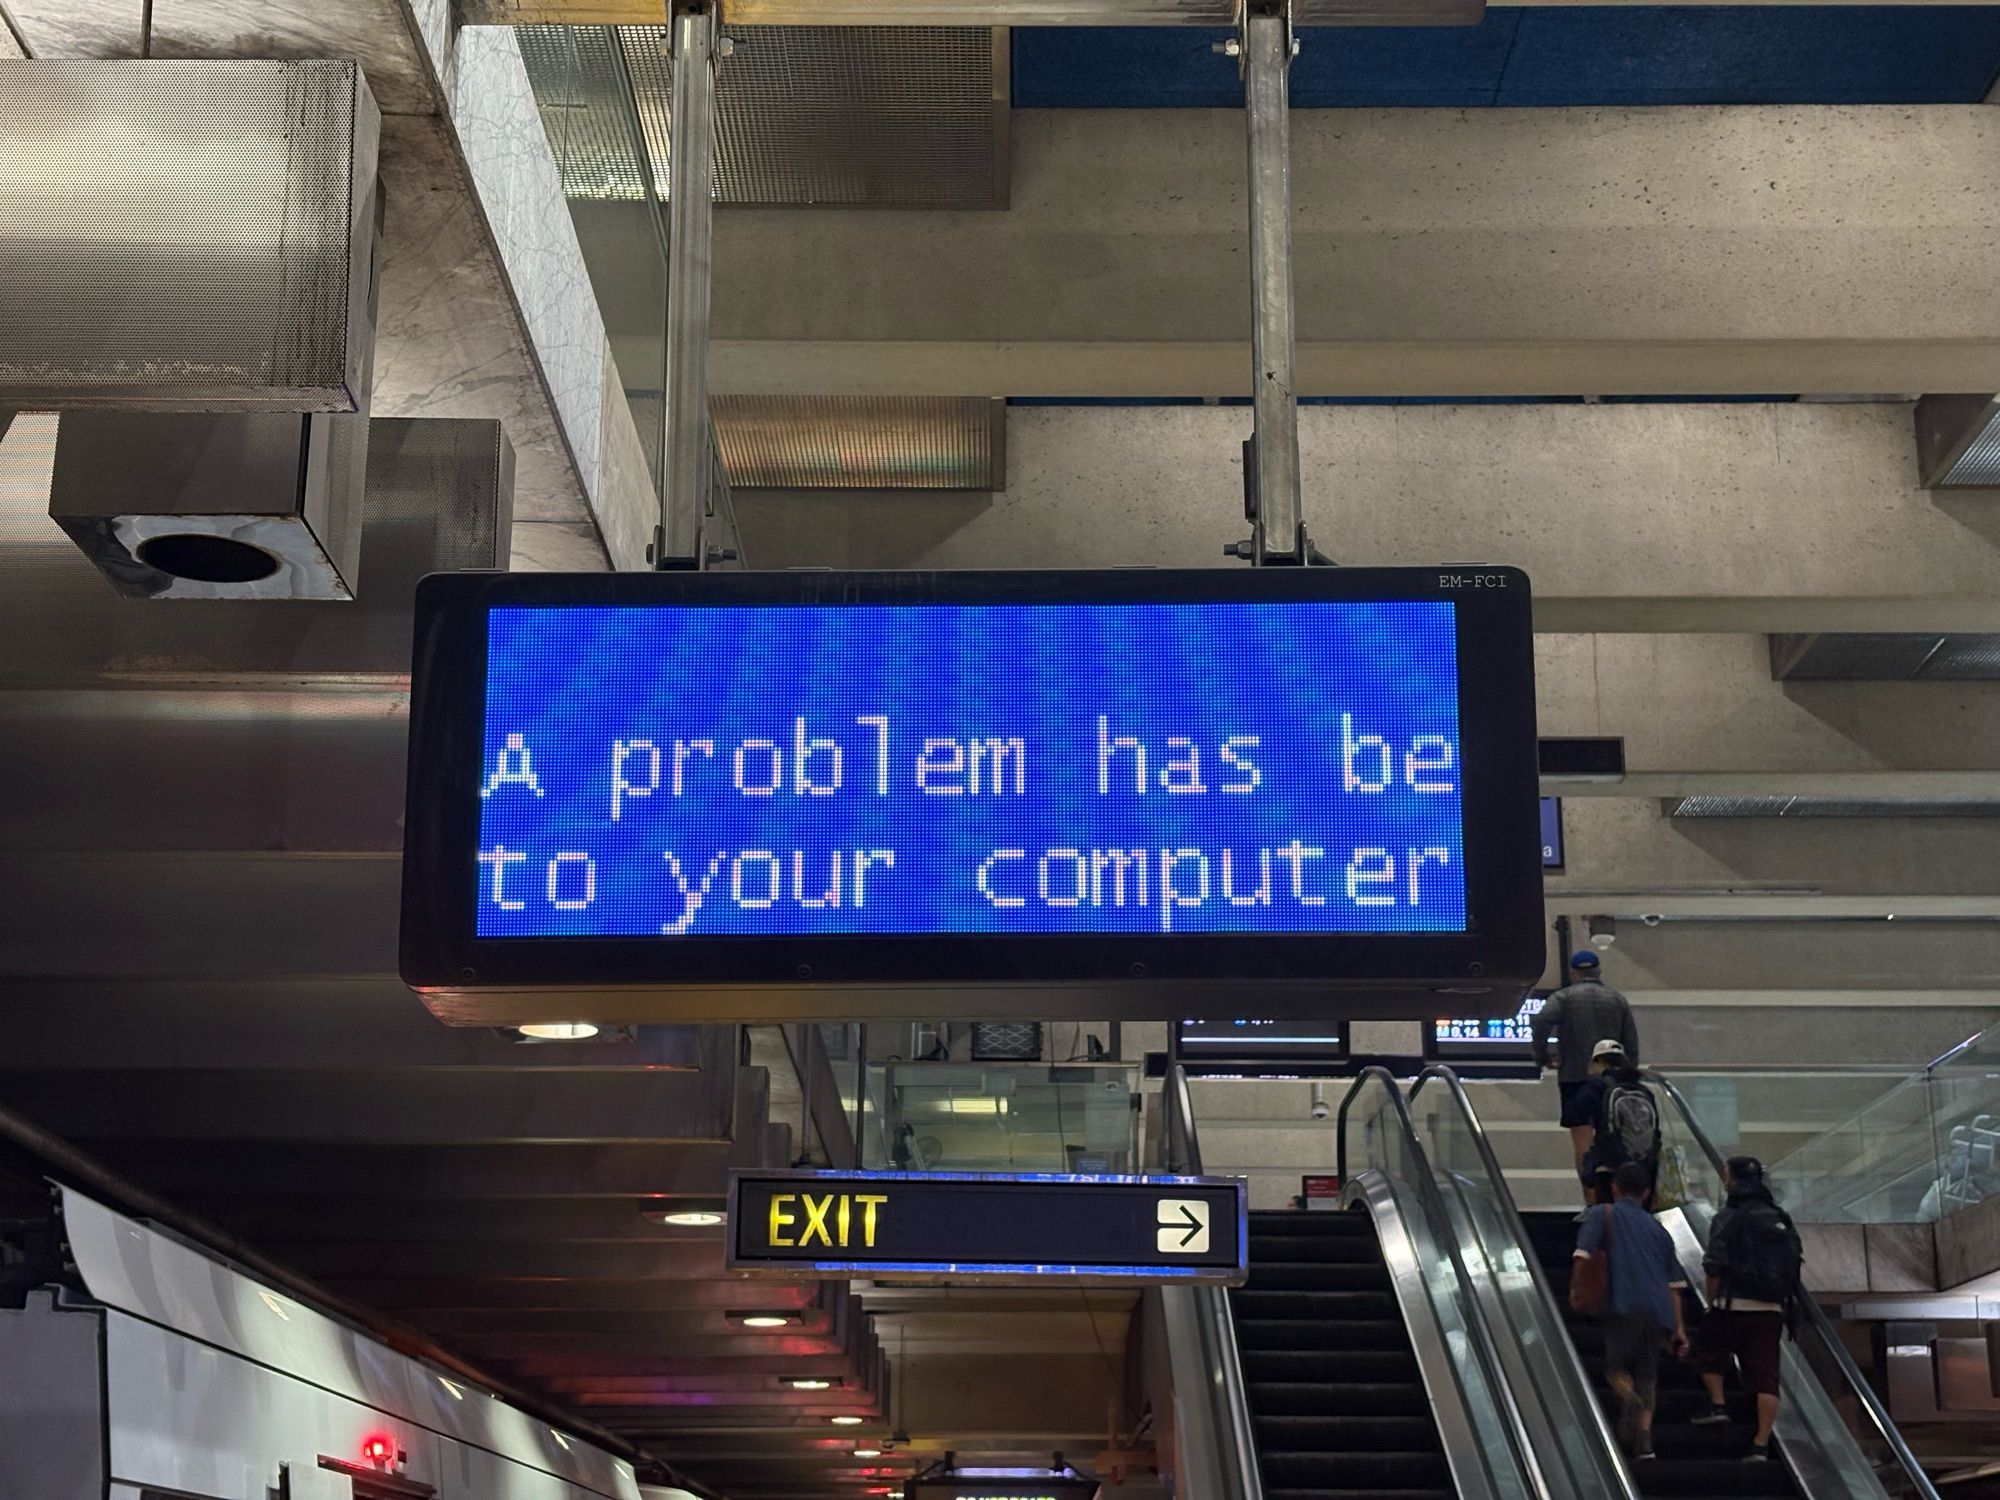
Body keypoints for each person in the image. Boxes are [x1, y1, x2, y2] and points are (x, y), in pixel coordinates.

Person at [1575, 1161, 1691, 1461]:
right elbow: (1674, 1284)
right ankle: (1645, 1443)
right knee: (1648, 1375)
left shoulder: (1602, 1213)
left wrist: (1577, 1291)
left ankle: (1629, 1399)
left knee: (1616, 1369)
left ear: (1614, 1187)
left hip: (1623, 1303)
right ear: (1647, 1193)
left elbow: (1583, 1255)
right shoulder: (1659, 1229)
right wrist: (1679, 1329)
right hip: (1659, 1312)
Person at [1692, 1156, 1804, 1463]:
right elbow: (1793, 1263)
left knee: (1709, 1350)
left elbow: (1714, 1263)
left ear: (1730, 1178)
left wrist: (1712, 1303)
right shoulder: (1779, 1216)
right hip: (1770, 1309)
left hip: (1733, 1303)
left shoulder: (1728, 1215)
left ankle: (1718, 1404)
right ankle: (1760, 1443)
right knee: (1766, 1375)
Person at [1532, 951, 1640, 1180]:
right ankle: (1613, 1194)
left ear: (1573, 973)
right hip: (1612, 1082)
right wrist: (1629, 1078)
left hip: (1575, 1078)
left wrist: (1543, 1057)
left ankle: (1591, 1202)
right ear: (1598, 971)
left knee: (1582, 1142)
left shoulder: (1564, 997)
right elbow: (1631, 1043)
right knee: (1613, 1138)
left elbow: (1541, 1020)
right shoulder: (1616, 999)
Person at [1579, 1040, 1661, 1206]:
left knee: (1609, 1219)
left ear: (1598, 1061)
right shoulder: (1643, 1090)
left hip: (1610, 1169)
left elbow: (1575, 1115)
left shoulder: (1596, 1086)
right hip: (1643, 1169)